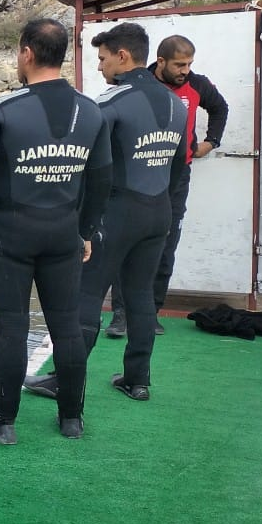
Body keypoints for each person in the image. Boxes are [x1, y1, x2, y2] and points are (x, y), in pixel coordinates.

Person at [0, 18, 112, 444]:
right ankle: (71, 419)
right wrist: (86, 231)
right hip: (63, 232)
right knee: (67, 325)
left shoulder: (1, 110)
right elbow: (101, 180)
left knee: (11, 328)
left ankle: (4, 423)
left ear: (26, 53)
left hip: (10, 233)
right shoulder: (91, 111)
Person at [26, 22, 187, 404]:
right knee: (140, 294)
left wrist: (78, 216)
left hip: (117, 213)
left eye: (102, 59)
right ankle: (137, 380)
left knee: (86, 294)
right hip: (158, 211)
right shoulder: (175, 104)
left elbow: (84, 165)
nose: (99, 67)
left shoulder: (110, 103)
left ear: (122, 56)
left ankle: (65, 381)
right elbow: (179, 164)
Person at [106, 35, 228, 338]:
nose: (185, 70)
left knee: (165, 246)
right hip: (138, 174)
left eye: (189, 64)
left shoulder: (197, 84)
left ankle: (151, 312)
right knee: (124, 244)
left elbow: (220, 108)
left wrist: (210, 142)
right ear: (160, 62)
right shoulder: (140, 84)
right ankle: (120, 315)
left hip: (177, 177)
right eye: (179, 65)